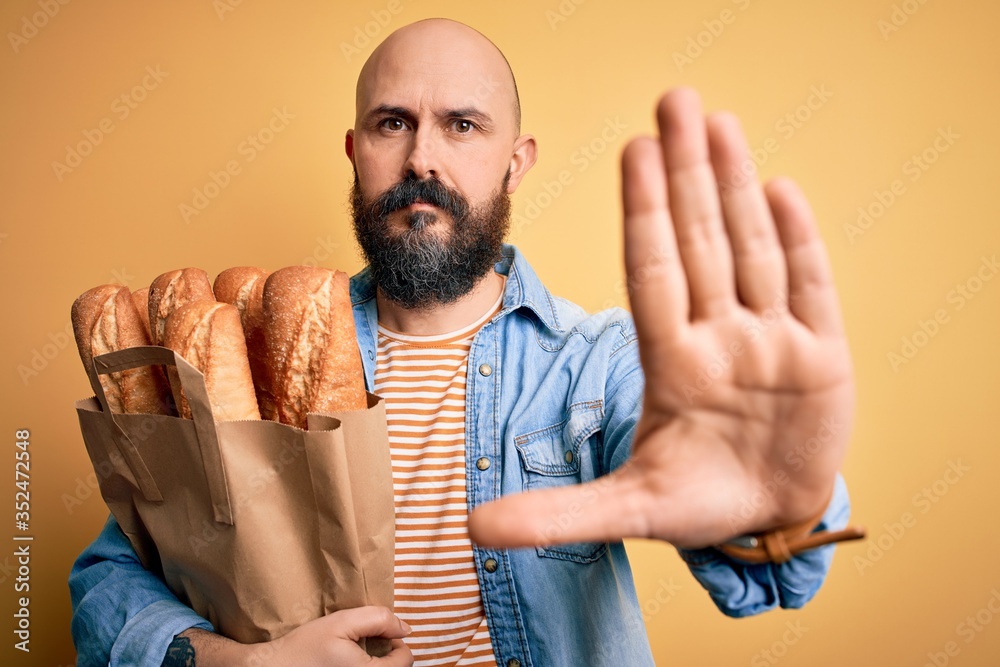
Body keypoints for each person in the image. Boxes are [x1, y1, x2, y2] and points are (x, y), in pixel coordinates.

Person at [69, 17, 859, 667]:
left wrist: (769, 482)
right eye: (393, 123)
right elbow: (108, 581)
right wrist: (241, 663)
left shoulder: (595, 362)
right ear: (355, 152)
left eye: (462, 125)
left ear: (515, 165)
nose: (423, 158)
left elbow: (758, 535)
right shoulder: (251, 362)